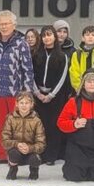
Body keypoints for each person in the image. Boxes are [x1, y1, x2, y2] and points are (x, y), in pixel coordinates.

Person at [0, 9, 34, 164]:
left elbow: (28, 69)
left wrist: (27, 93)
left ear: (14, 25)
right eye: (1, 24)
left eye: (6, 23)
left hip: (16, 93)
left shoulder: (21, 44)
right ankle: (2, 155)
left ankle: (17, 155)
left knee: (17, 126)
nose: (3, 27)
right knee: (0, 126)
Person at [32, 25, 70, 164]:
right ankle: (39, 154)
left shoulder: (62, 56)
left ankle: (51, 156)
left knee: (53, 126)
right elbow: (31, 75)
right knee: (40, 126)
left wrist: (51, 95)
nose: (47, 38)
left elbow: (62, 77)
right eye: (44, 35)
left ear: (54, 36)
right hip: (38, 96)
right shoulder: (35, 55)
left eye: (49, 35)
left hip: (55, 97)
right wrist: (37, 92)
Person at [1, 90, 46, 180]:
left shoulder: (37, 120)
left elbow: (41, 143)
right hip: (16, 150)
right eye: (21, 103)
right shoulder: (10, 118)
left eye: (27, 103)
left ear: (31, 104)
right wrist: (17, 144)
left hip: (31, 151)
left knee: (35, 158)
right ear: (17, 104)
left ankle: (34, 169)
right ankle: (13, 168)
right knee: (13, 153)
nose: (24, 105)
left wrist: (30, 148)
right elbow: (4, 140)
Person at [68, 25, 94, 94]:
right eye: (87, 35)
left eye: (93, 35)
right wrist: (79, 89)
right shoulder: (76, 54)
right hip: (80, 91)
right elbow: (74, 73)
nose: (90, 37)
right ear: (83, 38)